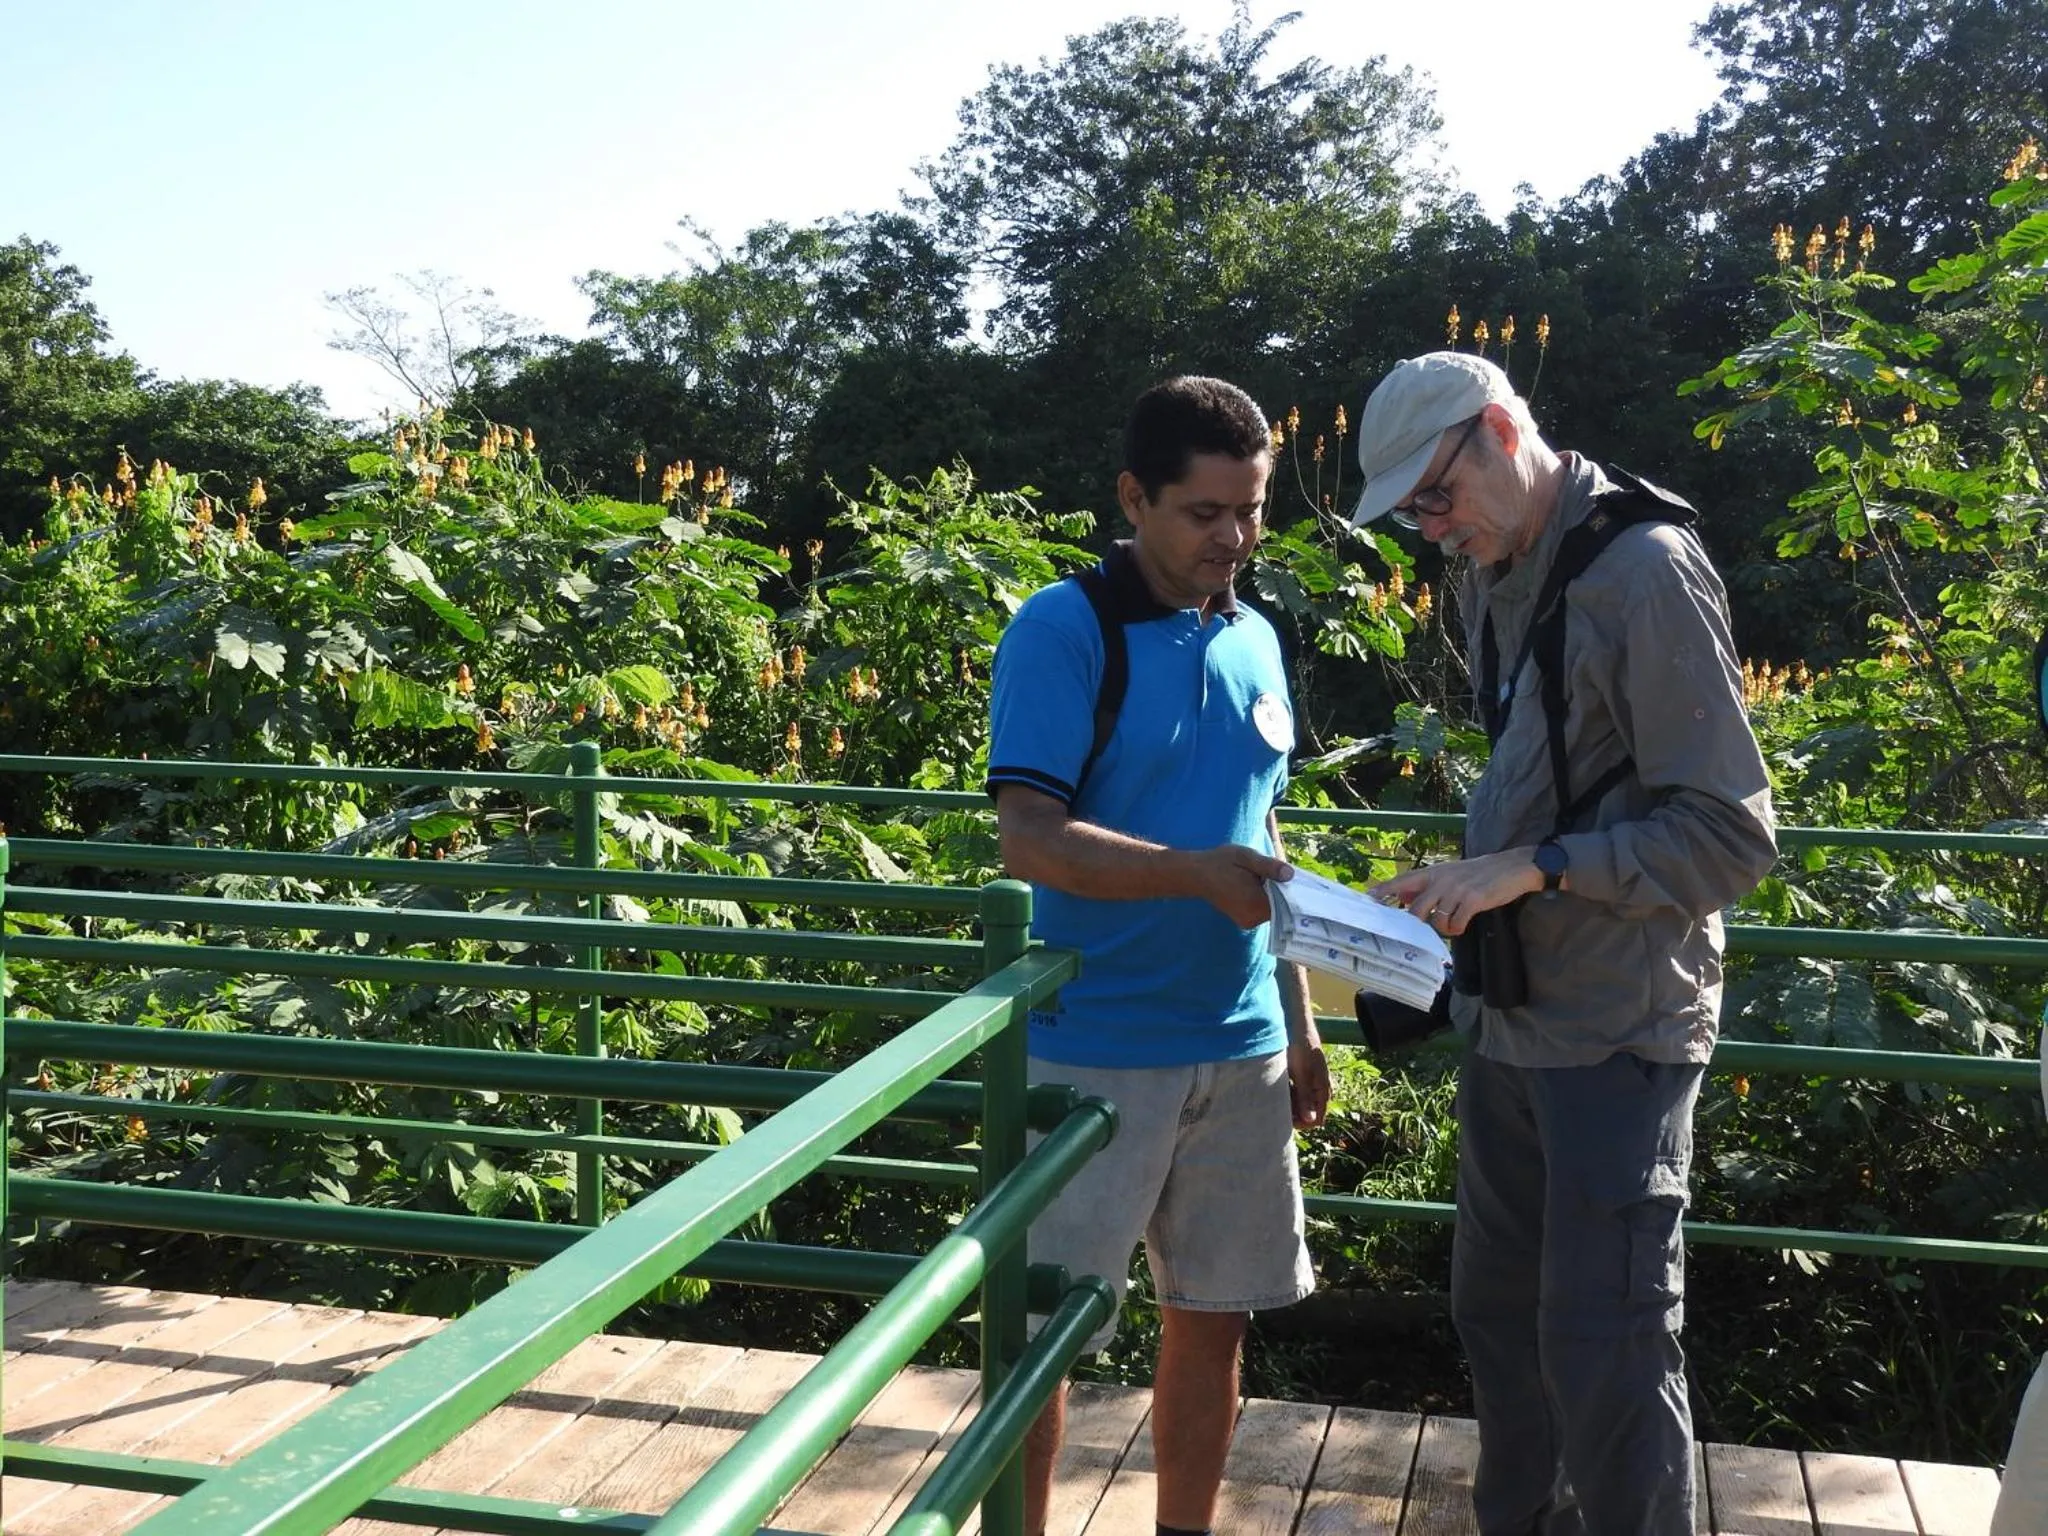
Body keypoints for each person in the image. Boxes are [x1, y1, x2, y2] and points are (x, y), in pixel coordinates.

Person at [1351, 351, 1777, 1534]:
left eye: (1436, 497)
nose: (1432, 531)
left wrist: (1532, 867)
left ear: (1500, 430)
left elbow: (1728, 839)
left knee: (1606, 1346)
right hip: (1509, 1018)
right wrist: (1455, 884)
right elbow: (1542, 778)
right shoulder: (1497, 570)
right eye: (1412, 516)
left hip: (1616, 1034)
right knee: (1495, 1319)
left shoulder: (1644, 571)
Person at [986, 374, 1329, 1536]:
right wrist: (1188, 873)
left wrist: (1299, 1021)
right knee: (1038, 1339)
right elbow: (1028, 838)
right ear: (1133, 498)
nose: (1231, 539)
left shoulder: (1256, 636)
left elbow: (1260, 833)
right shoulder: (1061, 628)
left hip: (1241, 1048)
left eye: (1251, 511)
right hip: (1090, 1045)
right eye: (1203, 513)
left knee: (1215, 1321)